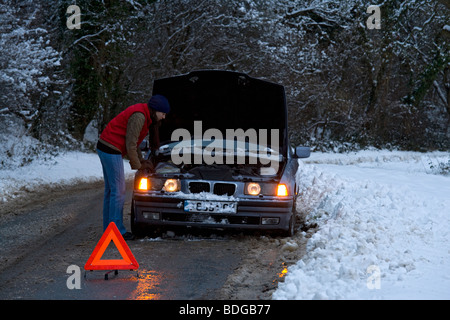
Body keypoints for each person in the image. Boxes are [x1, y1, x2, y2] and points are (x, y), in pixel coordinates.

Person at [96, 95, 170, 240]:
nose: (163, 117)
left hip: (105, 146)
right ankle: (117, 232)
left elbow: (134, 143)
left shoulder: (144, 115)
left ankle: (109, 230)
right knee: (119, 191)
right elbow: (130, 144)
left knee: (111, 191)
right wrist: (138, 166)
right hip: (111, 148)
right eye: (163, 113)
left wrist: (141, 160)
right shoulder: (139, 117)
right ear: (155, 111)